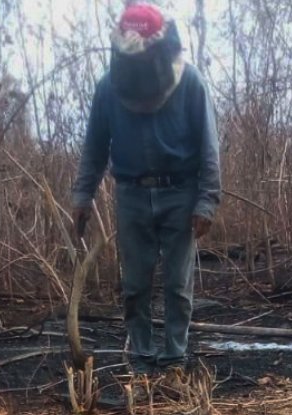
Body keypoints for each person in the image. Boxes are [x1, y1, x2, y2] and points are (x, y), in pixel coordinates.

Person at [71, 3, 221, 375]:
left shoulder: (190, 82)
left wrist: (206, 201)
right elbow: (94, 147)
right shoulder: (108, 87)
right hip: (132, 195)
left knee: (177, 284)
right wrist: (82, 195)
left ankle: (173, 359)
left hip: (180, 193)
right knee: (135, 284)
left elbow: (209, 147)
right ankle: (141, 358)